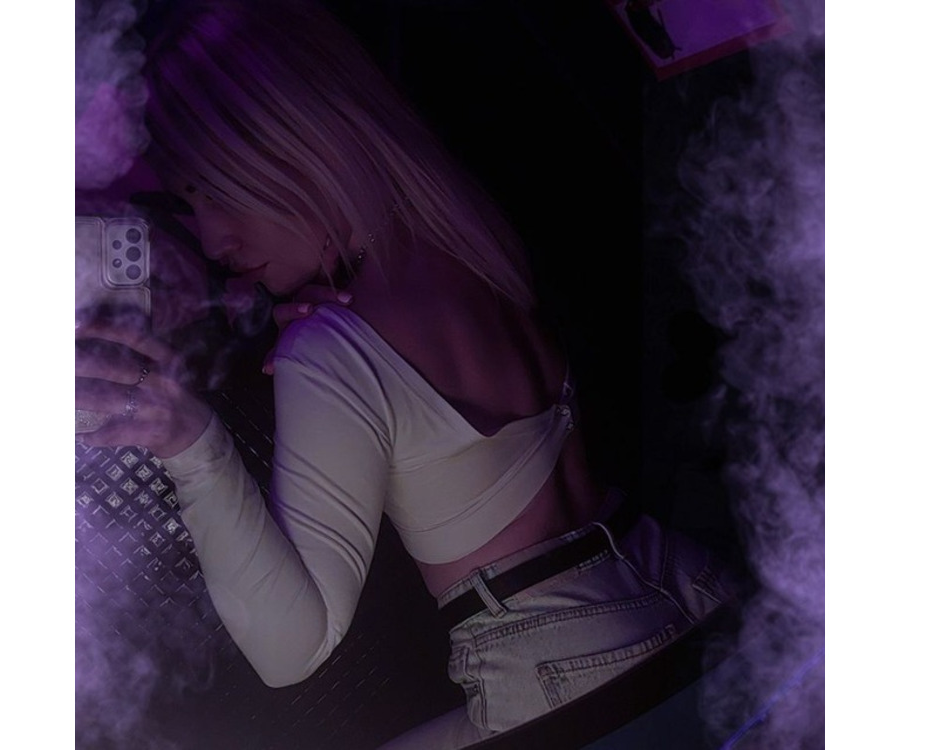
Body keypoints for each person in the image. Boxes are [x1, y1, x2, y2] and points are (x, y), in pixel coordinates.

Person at [74, 1, 736, 746]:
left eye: (214, 193)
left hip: (562, 668)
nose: (212, 238)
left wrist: (193, 445)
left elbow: (293, 649)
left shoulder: (332, 346)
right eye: (186, 207)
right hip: (682, 584)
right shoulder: (468, 240)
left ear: (288, 148)